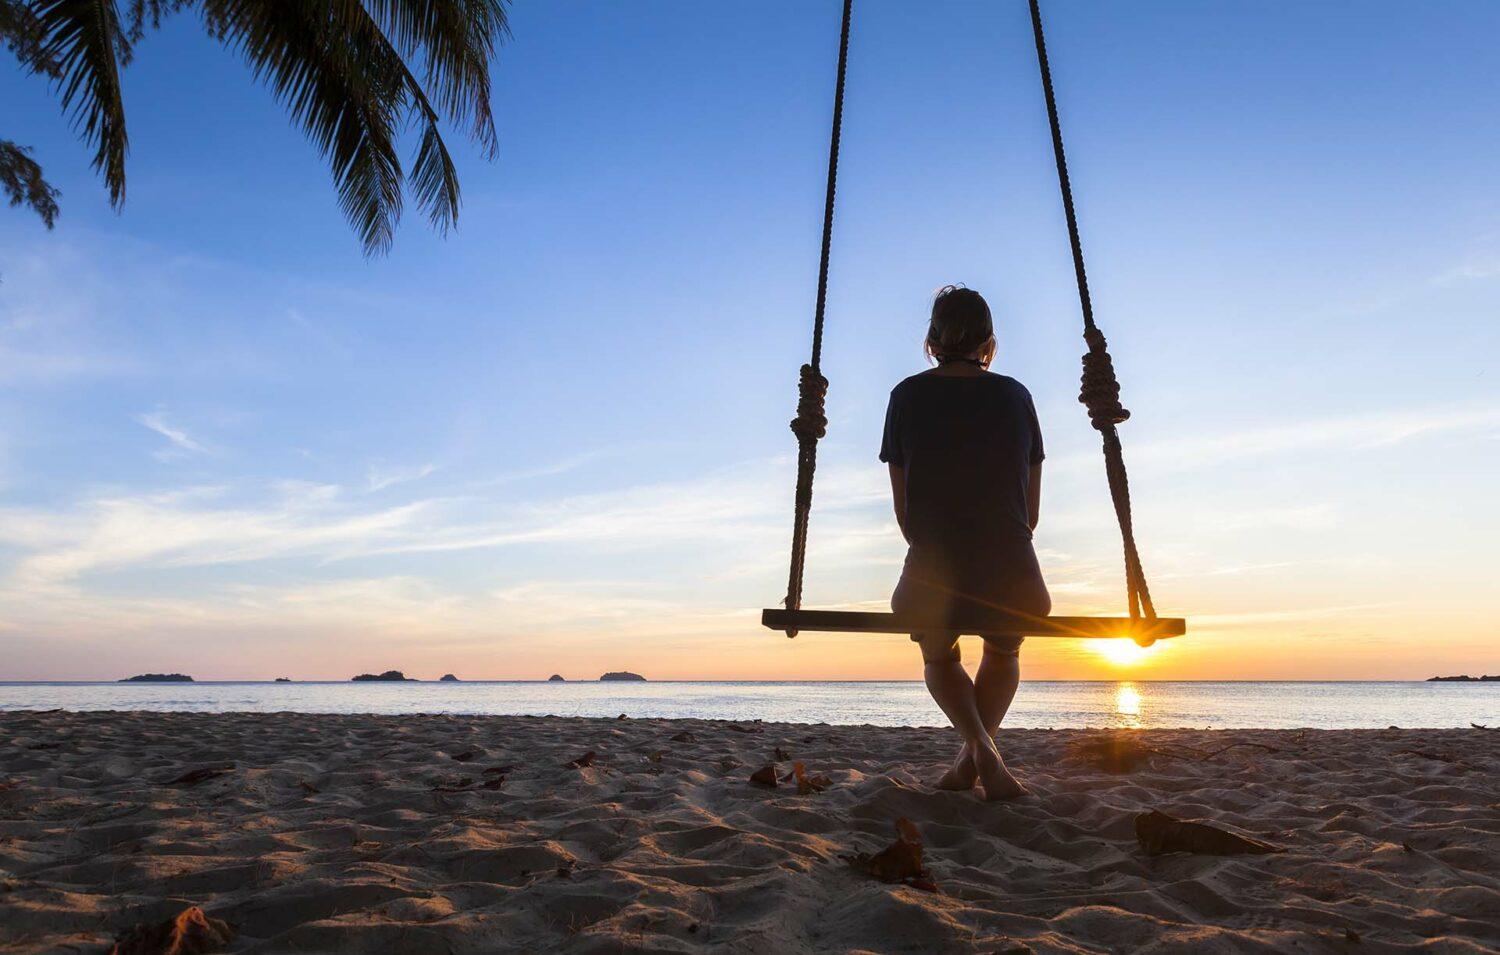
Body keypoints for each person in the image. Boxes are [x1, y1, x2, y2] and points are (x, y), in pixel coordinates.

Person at [880, 285, 1050, 800]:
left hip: (930, 581)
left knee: (939, 655)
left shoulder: (906, 396)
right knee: (1004, 650)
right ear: (989, 343)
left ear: (930, 341)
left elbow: (905, 514)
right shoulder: (1016, 396)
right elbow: (1031, 514)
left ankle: (976, 752)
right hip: (1018, 583)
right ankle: (978, 758)